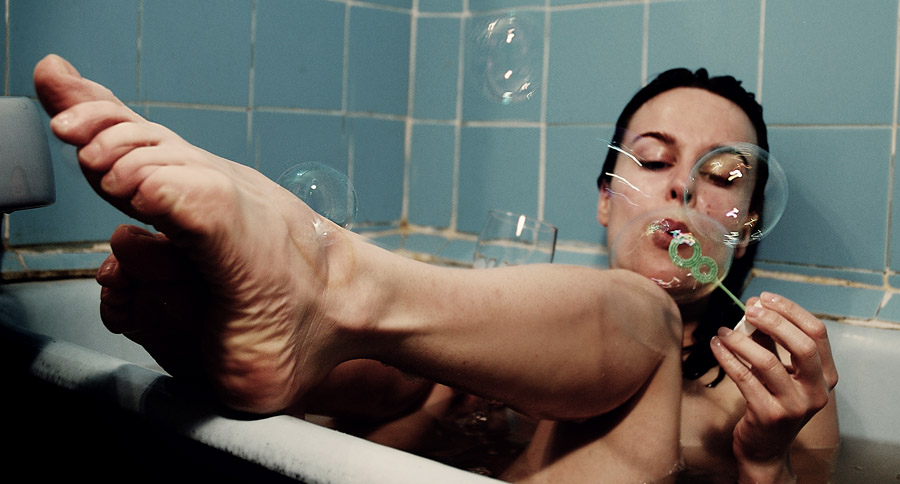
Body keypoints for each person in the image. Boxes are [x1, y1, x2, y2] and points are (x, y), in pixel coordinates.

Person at [33, 54, 837, 483]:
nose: (683, 189)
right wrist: (436, 402)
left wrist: (764, 459)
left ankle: (331, 283)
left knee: (651, 324)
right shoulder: (512, 321)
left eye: (723, 176)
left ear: (748, 223)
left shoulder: (782, 389)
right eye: (653, 161)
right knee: (414, 382)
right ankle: (231, 342)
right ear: (603, 201)